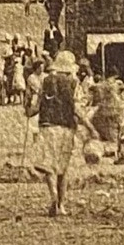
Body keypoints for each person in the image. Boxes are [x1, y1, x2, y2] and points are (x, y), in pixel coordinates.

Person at [28, 50, 80, 216]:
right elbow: (76, 108)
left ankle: (53, 197)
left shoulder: (45, 81)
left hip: (47, 126)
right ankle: (62, 205)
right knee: (62, 169)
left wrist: (28, 111)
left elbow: (35, 108)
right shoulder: (73, 83)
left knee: (49, 167)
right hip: (66, 128)